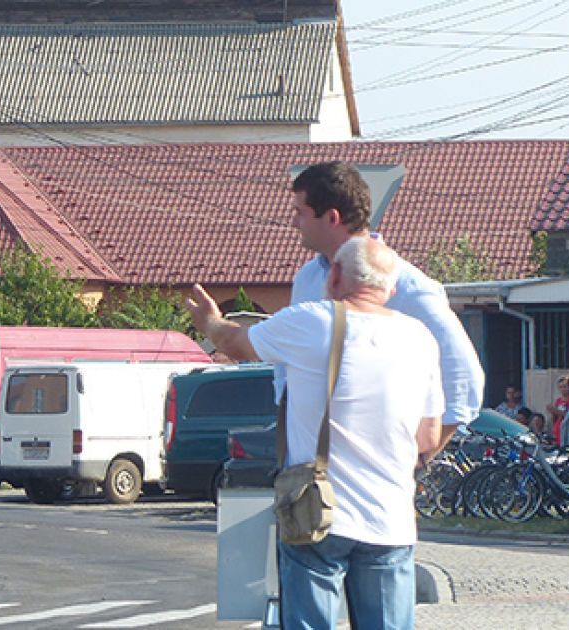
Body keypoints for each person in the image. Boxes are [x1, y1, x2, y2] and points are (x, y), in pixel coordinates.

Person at [187, 236, 443, 629]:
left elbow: (234, 344)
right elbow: (428, 438)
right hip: (391, 516)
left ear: (336, 274)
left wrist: (209, 320)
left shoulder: (311, 321)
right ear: (390, 288)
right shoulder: (420, 339)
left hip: (317, 511)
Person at [282, 162, 483, 454]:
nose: (294, 223)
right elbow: (286, 373)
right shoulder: (308, 279)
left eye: (300, 212)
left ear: (332, 217)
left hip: (371, 485)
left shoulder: (409, 288)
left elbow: (464, 381)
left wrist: (416, 463)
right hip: (309, 476)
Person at [548, 375, 569, 445]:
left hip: (567, 430)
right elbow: (554, 418)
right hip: (558, 429)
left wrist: (555, 410)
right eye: (560, 387)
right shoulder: (558, 401)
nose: (563, 389)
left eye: (565, 387)